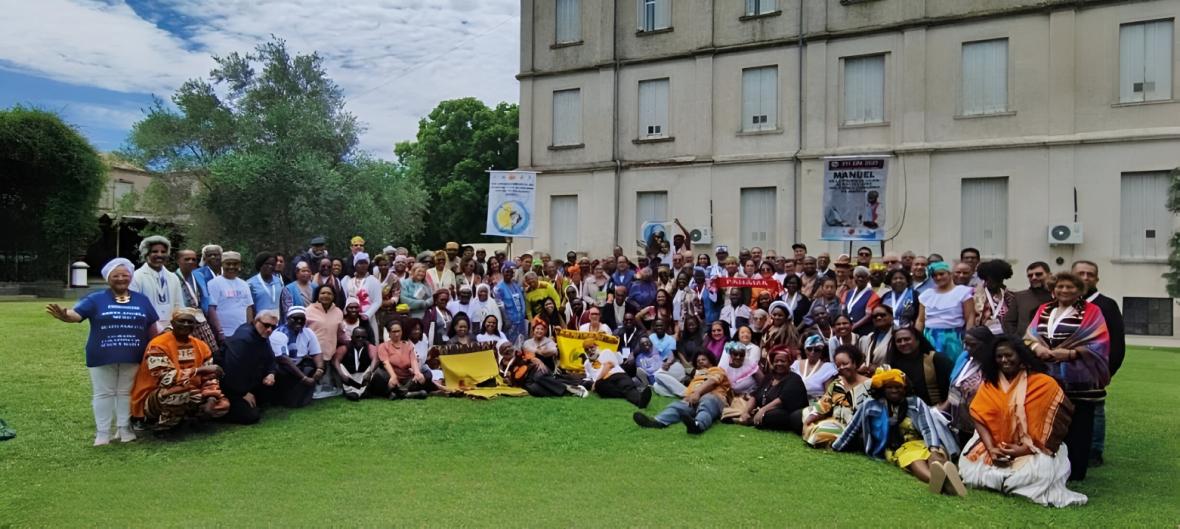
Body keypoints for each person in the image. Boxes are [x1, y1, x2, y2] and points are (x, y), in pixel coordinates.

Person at [959, 337, 1087, 507]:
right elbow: (979, 417)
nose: (1004, 360)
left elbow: (1051, 426)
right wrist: (992, 449)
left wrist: (1024, 449)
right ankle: (1003, 481)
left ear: (1020, 356)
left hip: (1034, 448)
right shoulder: (990, 384)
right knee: (969, 470)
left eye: (1009, 355)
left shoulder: (1044, 384)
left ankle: (1005, 482)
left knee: (1038, 474)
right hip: (995, 445)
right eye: (999, 356)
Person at [46, 258, 159, 445]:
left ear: (131, 277)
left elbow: (153, 327)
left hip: (133, 355)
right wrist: (65, 315)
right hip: (102, 354)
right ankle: (103, 432)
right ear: (108, 278)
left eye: (125, 275)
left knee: (125, 392)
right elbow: (76, 315)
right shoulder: (96, 299)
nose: (121, 279)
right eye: (116, 275)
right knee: (103, 393)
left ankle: (124, 428)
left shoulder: (142, 300)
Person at [1024, 271, 1110, 481]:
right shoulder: (1045, 309)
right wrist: (1036, 348)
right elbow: (1029, 335)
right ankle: (1050, 465)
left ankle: (1076, 470)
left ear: (1080, 290)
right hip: (1048, 375)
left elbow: (1099, 341)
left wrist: (1072, 353)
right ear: (1053, 289)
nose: (1064, 290)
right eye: (1060, 286)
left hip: (1080, 379)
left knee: (1079, 424)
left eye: (1070, 287)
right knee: (1050, 421)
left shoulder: (1092, 311)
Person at [833, 369, 965, 496]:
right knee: (914, 458)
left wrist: (934, 449)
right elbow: (853, 427)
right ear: (882, 389)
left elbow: (928, 428)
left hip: (924, 441)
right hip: (900, 447)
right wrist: (836, 446)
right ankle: (937, 481)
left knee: (936, 456)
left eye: (898, 387)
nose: (894, 390)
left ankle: (945, 478)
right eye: (890, 387)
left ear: (905, 388)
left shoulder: (915, 403)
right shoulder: (871, 405)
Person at [130, 308, 228, 432]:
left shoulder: (202, 346)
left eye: (190, 322)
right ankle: (163, 426)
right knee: (178, 392)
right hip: (156, 395)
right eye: (182, 321)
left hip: (191, 392)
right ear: (173, 322)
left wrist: (211, 398)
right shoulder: (158, 344)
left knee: (223, 405)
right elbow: (166, 379)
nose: (186, 325)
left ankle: (189, 420)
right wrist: (199, 370)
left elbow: (209, 378)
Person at [1071, 260, 1124, 468]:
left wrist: (1107, 371)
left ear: (1097, 278)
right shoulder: (1064, 302)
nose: (1085, 278)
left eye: (1090, 274)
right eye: (1080, 273)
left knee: (1095, 410)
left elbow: (1117, 343)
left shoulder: (1106, 305)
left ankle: (1094, 451)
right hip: (1067, 370)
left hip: (1094, 371)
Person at [633, 351, 730, 434]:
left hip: (714, 398)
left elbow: (712, 382)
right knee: (677, 406)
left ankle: (697, 425)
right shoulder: (696, 377)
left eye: (703, 359)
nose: (700, 362)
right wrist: (688, 397)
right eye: (698, 361)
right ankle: (657, 421)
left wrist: (697, 393)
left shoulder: (717, 370)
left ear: (711, 361)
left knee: (707, 401)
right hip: (694, 400)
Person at [802, 345, 872, 447]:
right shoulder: (837, 384)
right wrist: (810, 419)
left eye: (845, 364)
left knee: (819, 434)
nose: (841, 368)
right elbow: (823, 405)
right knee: (807, 412)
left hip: (858, 427)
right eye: (838, 365)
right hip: (836, 422)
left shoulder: (870, 384)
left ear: (855, 363)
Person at [219, 311, 279, 425]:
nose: (269, 330)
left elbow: (271, 358)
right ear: (256, 322)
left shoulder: (262, 336)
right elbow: (231, 370)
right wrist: (243, 393)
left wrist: (271, 373)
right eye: (266, 325)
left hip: (250, 380)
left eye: (273, 327)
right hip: (231, 385)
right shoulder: (243, 339)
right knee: (251, 416)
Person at [916, 261, 975, 371]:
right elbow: (920, 320)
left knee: (953, 368)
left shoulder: (962, 292)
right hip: (930, 337)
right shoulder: (927, 295)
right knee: (932, 370)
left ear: (949, 274)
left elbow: (970, 317)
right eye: (934, 275)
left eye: (941, 274)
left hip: (954, 338)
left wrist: (969, 339)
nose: (938, 277)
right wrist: (916, 338)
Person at [731, 349, 808, 432]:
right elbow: (755, 396)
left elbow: (781, 401)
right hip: (765, 410)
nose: (779, 363)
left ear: (789, 363)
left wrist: (762, 410)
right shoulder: (769, 377)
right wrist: (746, 412)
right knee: (743, 407)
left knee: (774, 415)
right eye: (776, 361)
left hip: (787, 412)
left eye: (783, 361)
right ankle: (745, 417)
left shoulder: (794, 379)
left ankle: (750, 421)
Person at [941, 326, 994, 443]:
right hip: (962, 422)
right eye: (965, 344)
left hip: (985, 424)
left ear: (986, 344)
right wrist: (944, 408)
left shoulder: (994, 366)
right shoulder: (964, 359)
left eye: (973, 345)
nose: (967, 349)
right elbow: (956, 385)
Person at [269, 306, 324, 408]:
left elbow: (317, 353)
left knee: (313, 366)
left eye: (302, 319)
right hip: (282, 367)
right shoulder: (279, 334)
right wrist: (303, 378)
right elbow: (284, 359)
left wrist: (320, 369)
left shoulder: (308, 332)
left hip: (298, 365)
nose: (299, 321)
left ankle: (302, 396)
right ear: (288, 319)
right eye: (295, 318)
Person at [885, 326, 952, 406]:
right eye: (899, 341)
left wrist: (944, 407)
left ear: (917, 340)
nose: (903, 343)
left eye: (907, 339)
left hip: (937, 412)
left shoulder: (937, 359)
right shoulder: (894, 365)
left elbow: (956, 387)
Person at [130, 236, 183, 333]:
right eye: (155, 251)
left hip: (172, 331)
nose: (160, 255)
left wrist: (173, 327)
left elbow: (178, 305)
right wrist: (158, 329)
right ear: (146, 254)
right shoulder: (136, 277)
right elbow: (135, 308)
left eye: (163, 252)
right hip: (146, 330)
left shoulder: (173, 277)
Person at [175, 249, 219, 360]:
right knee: (190, 354)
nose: (191, 262)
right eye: (187, 259)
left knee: (211, 353)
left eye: (194, 259)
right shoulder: (173, 278)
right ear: (178, 261)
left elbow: (206, 297)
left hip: (201, 319)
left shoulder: (199, 276)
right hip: (183, 322)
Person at [373, 320, 433, 399]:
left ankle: (399, 393)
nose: (397, 334)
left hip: (407, 379)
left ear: (402, 331)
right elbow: (385, 363)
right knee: (379, 374)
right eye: (394, 332)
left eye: (398, 331)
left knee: (427, 374)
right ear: (389, 333)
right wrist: (393, 376)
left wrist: (417, 372)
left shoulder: (408, 345)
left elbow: (413, 360)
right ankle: (407, 394)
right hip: (391, 377)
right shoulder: (383, 346)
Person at [582, 339, 652, 408]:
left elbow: (608, 365)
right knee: (600, 387)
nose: (590, 351)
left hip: (617, 375)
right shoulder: (586, 363)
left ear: (596, 346)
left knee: (625, 386)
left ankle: (640, 401)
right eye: (587, 349)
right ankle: (635, 392)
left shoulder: (605, 352)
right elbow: (589, 377)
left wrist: (596, 382)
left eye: (591, 347)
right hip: (603, 382)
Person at [207, 252, 254, 346]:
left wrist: (248, 329)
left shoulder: (244, 284)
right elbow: (211, 309)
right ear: (222, 264)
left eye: (235, 264)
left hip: (242, 333)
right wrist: (220, 331)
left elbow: (249, 307)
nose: (231, 267)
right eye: (228, 264)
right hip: (225, 333)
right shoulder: (213, 283)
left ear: (239, 265)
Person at [1003, 262, 1053, 336]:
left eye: (1038, 274)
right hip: (1024, 343)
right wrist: (1016, 340)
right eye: (1030, 276)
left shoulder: (1059, 296)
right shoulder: (1019, 297)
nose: (1034, 277)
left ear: (1049, 275)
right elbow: (1009, 322)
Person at [344, 252, 382, 340]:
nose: (363, 265)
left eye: (365, 263)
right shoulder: (349, 281)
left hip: (369, 318)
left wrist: (366, 315)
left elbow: (378, 301)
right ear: (355, 265)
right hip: (352, 318)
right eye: (360, 263)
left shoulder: (373, 281)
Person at [974, 259, 1015, 336]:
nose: (996, 283)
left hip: (1006, 336)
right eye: (992, 279)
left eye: (999, 280)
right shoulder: (974, 294)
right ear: (985, 278)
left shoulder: (1011, 295)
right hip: (982, 337)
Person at [793, 335, 838, 399]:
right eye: (809, 349)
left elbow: (828, 395)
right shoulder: (795, 365)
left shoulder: (828, 368)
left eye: (817, 350)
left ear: (821, 351)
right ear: (805, 350)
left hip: (816, 403)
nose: (812, 352)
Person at [842, 266, 880, 335]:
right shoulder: (847, 293)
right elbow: (842, 308)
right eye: (858, 276)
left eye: (863, 277)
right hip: (847, 330)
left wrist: (853, 326)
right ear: (854, 277)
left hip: (864, 331)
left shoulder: (873, 295)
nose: (860, 279)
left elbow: (868, 316)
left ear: (868, 279)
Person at [495, 263, 527, 343]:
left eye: (511, 272)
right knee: (509, 344)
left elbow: (521, 300)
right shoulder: (498, 288)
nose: (509, 274)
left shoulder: (515, 285)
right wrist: (506, 320)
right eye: (507, 272)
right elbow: (500, 306)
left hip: (520, 321)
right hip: (509, 322)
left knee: (521, 343)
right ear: (502, 272)